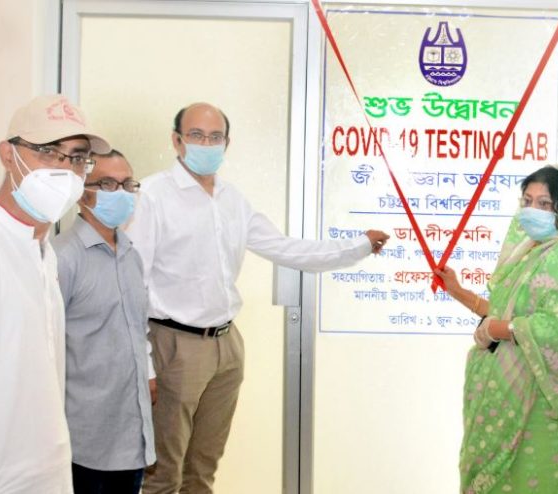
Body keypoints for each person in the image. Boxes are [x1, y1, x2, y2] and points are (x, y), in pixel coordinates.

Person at [125, 102, 390, 493]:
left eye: (215, 137)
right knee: (164, 473)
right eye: (196, 135)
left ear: (227, 143)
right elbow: (134, 285)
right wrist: (144, 363)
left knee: (203, 467)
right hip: (174, 344)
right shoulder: (151, 196)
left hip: (226, 345)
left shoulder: (231, 199)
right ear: (176, 141)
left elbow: (285, 248)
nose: (206, 144)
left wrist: (358, 246)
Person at [436, 165, 558, 494]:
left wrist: (497, 329)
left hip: (544, 410)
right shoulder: (530, 251)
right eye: (527, 201)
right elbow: (506, 310)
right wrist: (457, 291)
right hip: (508, 398)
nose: (532, 210)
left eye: (544, 204)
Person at [0, 95, 110, 493]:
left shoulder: (44, 251)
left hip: (45, 465)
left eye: (77, 158)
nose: (64, 169)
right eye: (47, 151)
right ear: (7, 154)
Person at [53, 150, 156, 493]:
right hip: (84, 440)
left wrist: (149, 373)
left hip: (131, 434)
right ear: (83, 192)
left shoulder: (130, 254)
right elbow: (45, 347)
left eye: (127, 184)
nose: (121, 193)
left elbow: (136, 327)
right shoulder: (64, 257)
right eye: (108, 184)